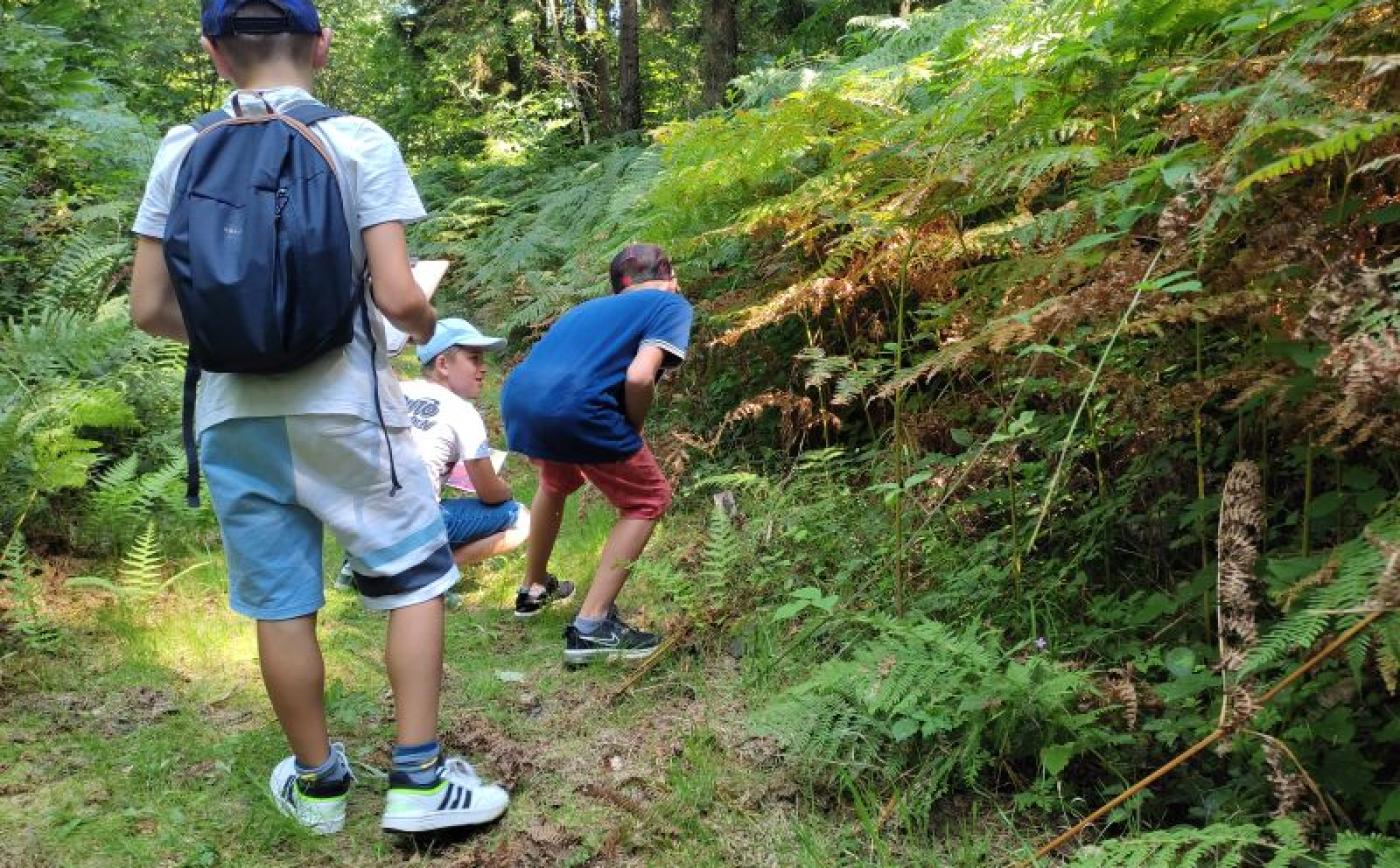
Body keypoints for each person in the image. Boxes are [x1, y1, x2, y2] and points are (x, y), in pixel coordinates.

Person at [128, 0, 507, 835]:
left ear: (215, 54)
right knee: (412, 577)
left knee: (280, 603)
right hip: (345, 404)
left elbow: (149, 307)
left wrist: (246, 335)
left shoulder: (181, 148)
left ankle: (319, 784)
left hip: (232, 415)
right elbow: (402, 295)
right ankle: (417, 782)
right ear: (323, 48)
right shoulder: (358, 140)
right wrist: (409, 327)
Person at [500, 243, 692, 665]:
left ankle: (533, 589)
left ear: (619, 285)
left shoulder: (588, 309)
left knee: (557, 480)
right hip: (575, 406)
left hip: (521, 397)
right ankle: (592, 626)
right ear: (670, 276)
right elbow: (640, 377)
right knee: (648, 499)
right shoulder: (669, 305)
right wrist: (633, 430)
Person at [396, 319, 574, 615]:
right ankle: (436, 573)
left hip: (368, 516)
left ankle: (362, 564)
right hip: (415, 522)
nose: (483, 368)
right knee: (521, 519)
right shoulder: (462, 412)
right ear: (443, 364)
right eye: (474, 359)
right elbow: (491, 494)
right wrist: (506, 488)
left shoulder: (397, 391)